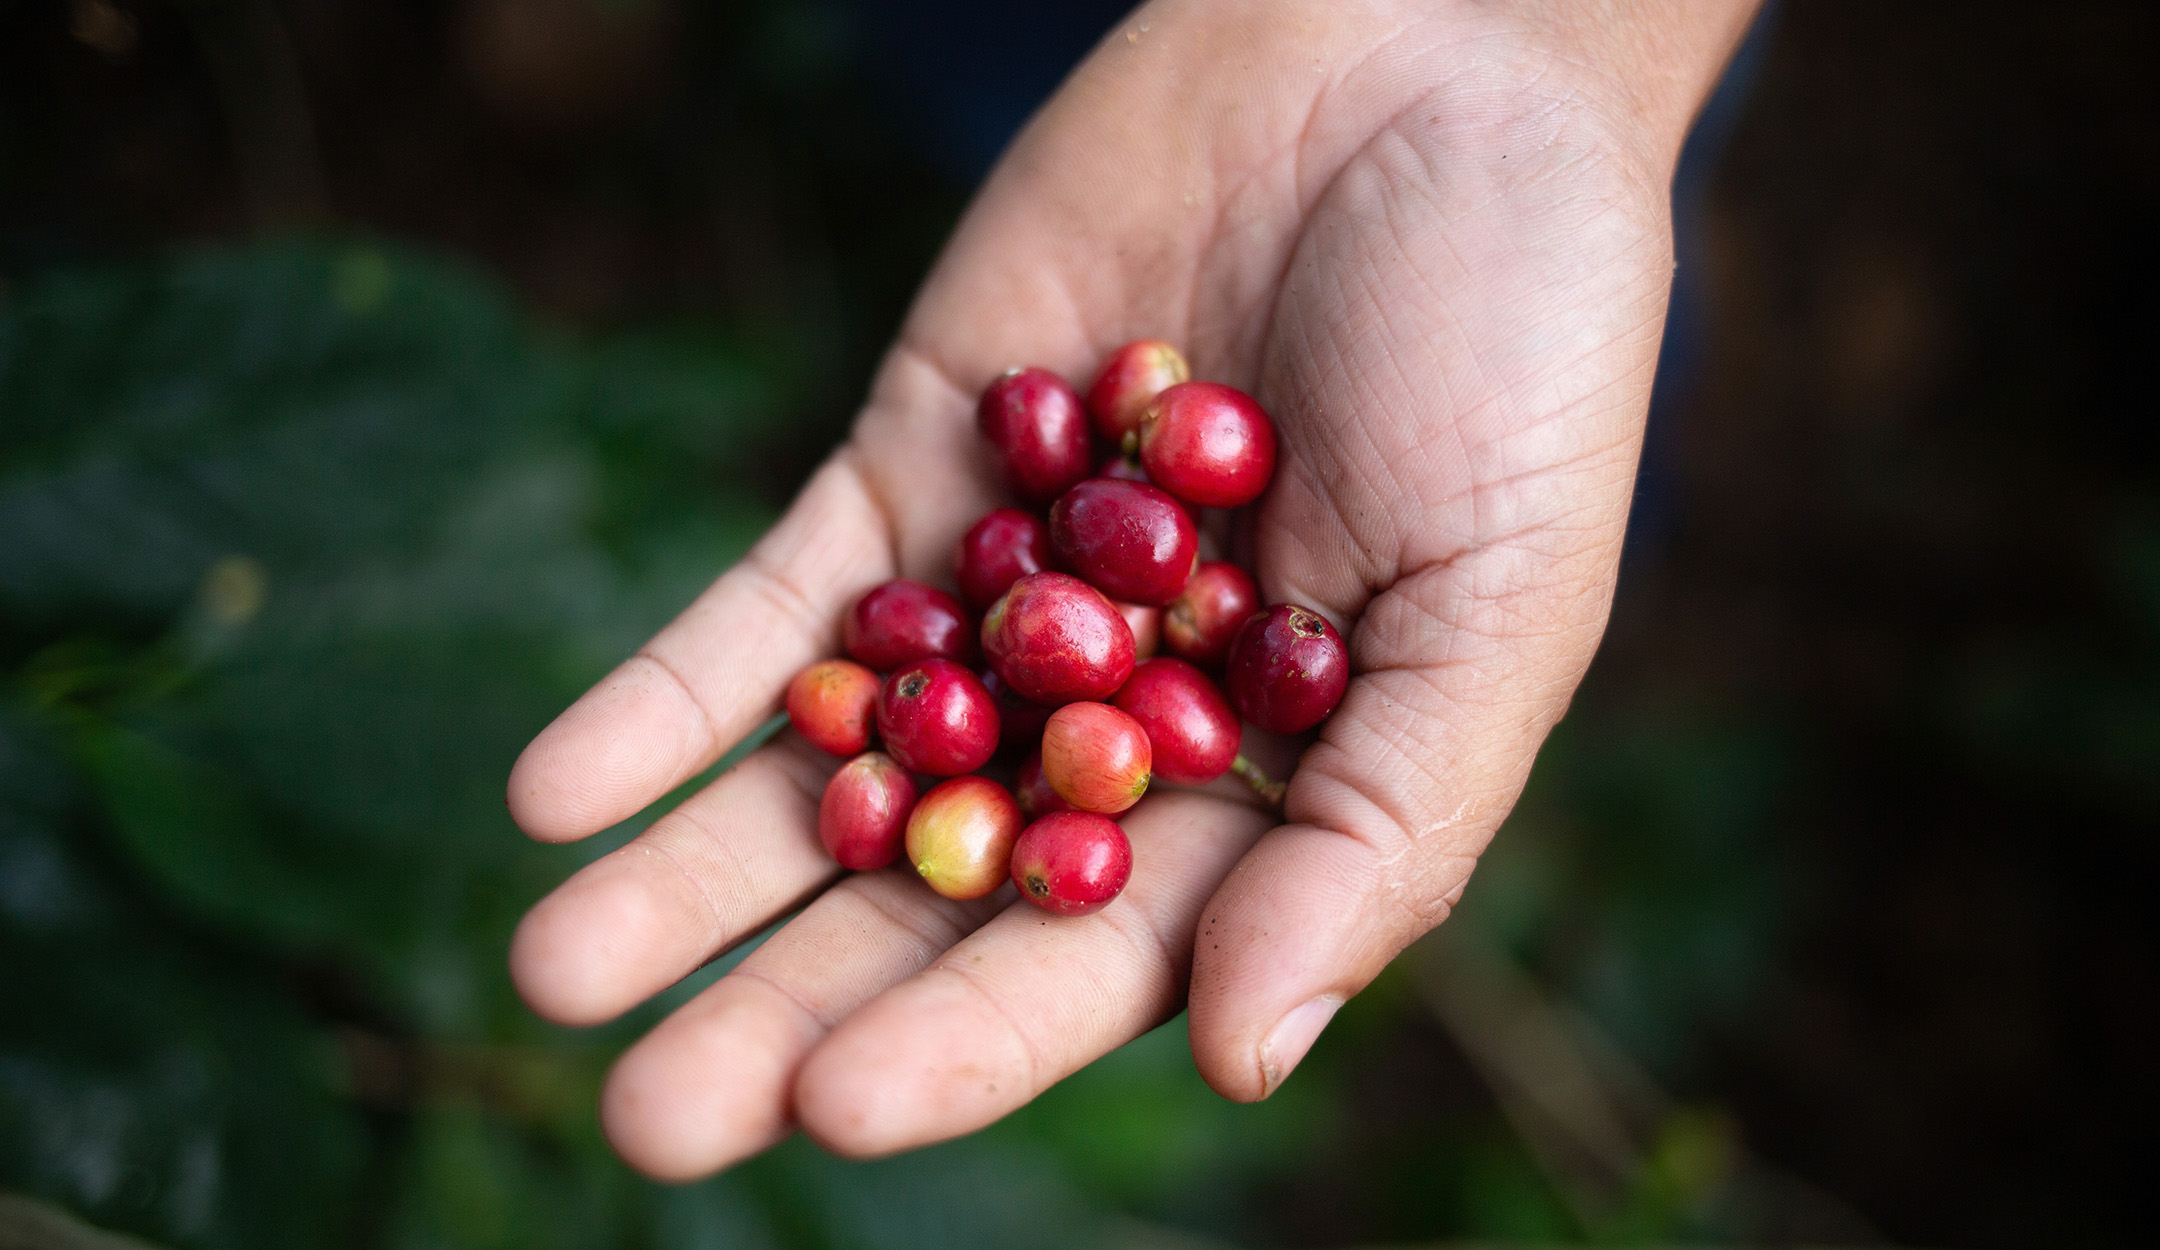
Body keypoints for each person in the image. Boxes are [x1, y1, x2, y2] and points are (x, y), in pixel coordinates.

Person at [502, 0, 1761, 1180]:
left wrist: (1567, 38)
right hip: (1122, 95)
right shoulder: (1072, 631)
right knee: (969, 66)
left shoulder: (1110, 619)